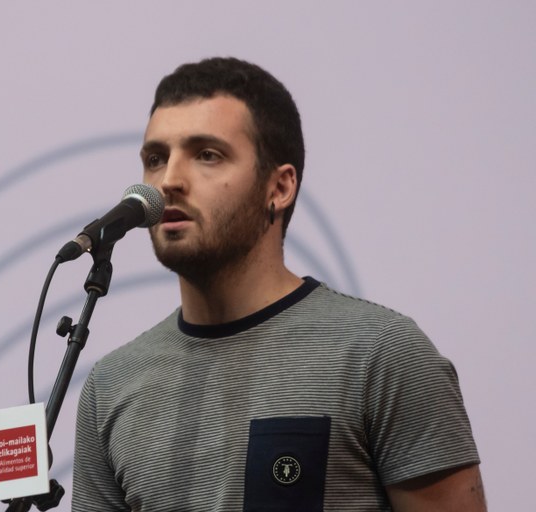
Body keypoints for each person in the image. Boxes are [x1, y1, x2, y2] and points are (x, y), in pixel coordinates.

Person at [71, 57, 484, 511]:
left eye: (207, 155)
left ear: (280, 188)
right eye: (156, 159)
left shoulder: (381, 353)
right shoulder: (110, 386)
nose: (169, 180)